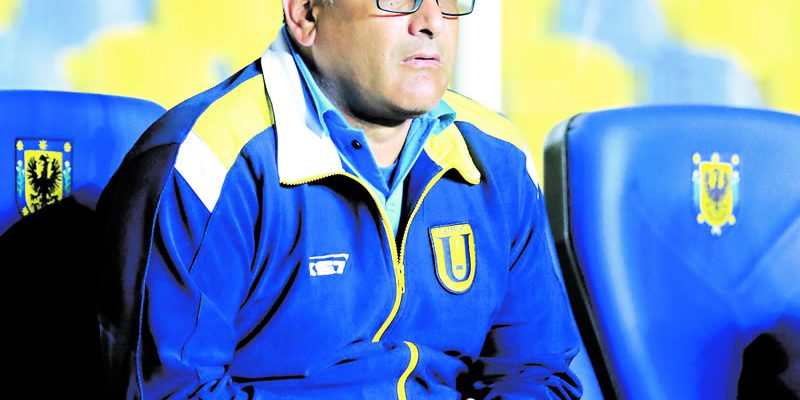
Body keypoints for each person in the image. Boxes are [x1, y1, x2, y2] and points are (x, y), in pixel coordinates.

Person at [96, 0, 583, 398]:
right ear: (306, 13)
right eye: (398, 0)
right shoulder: (206, 164)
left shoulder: (497, 156)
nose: (432, 21)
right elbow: (174, 392)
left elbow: (535, 372)